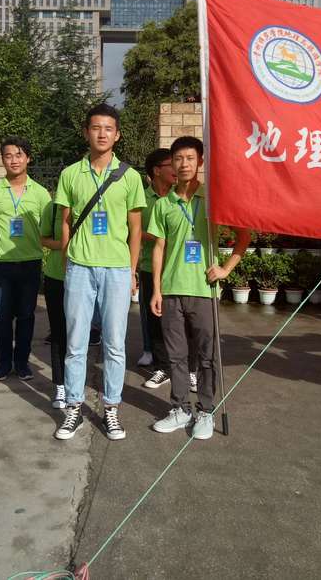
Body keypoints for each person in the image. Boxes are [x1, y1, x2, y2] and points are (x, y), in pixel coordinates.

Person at [53, 103, 146, 441]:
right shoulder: (70, 174)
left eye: (108, 128)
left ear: (117, 134)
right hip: (80, 266)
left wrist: (132, 270)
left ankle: (111, 409)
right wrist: (68, 260)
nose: (102, 134)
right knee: (75, 343)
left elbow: (135, 229)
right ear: (86, 132)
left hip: (117, 270)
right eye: (96, 127)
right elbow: (65, 222)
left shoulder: (130, 177)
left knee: (115, 344)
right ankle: (74, 407)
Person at [149, 137, 250, 440]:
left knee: (206, 356)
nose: (184, 164)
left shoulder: (213, 199)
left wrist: (225, 269)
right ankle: (180, 409)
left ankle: (205, 411)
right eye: (178, 159)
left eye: (190, 158)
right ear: (172, 164)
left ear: (200, 162)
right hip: (172, 290)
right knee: (176, 356)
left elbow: (244, 236)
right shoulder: (164, 204)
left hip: (204, 290)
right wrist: (156, 289)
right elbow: (159, 247)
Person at [0, 136, 51, 381]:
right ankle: (4, 364)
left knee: (26, 316)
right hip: (0, 264)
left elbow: (48, 229)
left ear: (28, 158)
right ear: (2, 159)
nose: (14, 160)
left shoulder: (41, 193)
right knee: (2, 316)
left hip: (30, 262)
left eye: (19, 155)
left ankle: (22, 363)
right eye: (8, 155)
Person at [138, 148, 175, 386]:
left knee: (180, 320)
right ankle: (161, 365)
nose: (176, 168)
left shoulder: (180, 196)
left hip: (177, 269)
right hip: (150, 267)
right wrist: (156, 236)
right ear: (157, 170)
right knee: (154, 318)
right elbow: (131, 230)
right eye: (171, 164)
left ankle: (186, 367)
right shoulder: (141, 199)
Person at [41, 198, 67, 408]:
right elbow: (44, 238)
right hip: (56, 276)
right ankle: (60, 384)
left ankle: (76, 383)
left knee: (80, 335)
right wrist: (65, 245)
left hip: (86, 278)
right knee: (59, 333)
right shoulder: (54, 207)